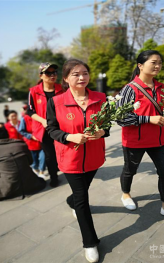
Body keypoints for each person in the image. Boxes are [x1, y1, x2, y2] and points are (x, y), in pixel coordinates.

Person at [46, 59, 110, 263]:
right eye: (75, 74)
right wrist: (69, 137)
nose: (81, 77)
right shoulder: (56, 102)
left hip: (93, 158)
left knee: (79, 195)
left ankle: (70, 201)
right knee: (83, 199)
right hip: (70, 158)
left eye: (85, 73)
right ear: (65, 79)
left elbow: (107, 125)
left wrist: (102, 132)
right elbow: (52, 129)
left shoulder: (101, 98)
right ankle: (90, 243)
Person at [116, 50, 164, 222]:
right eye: (153, 62)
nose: (158, 66)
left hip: (159, 140)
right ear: (140, 65)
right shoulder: (129, 89)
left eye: (160, 63)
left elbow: (163, 112)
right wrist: (148, 119)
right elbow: (120, 118)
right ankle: (125, 195)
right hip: (135, 141)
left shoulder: (163, 87)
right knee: (130, 170)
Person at [0, 127, 46, 201]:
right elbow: (30, 162)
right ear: (8, 134)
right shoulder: (21, 144)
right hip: (30, 182)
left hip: (9, 188)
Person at [27, 62, 64, 187]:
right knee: (49, 156)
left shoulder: (62, 89)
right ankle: (54, 177)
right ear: (41, 75)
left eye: (54, 72)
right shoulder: (34, 91)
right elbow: (29, 110)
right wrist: (43, 121)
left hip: (61, 127)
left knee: (63, 151)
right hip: (44, 129)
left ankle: (68, 171)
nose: (52, 75)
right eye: (48, 73)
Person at [19, 106, 46, 179]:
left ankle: (42, 171)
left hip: (41, 141)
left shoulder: (40, 117)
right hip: (31, 142)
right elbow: (21, 130)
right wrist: (31, 136)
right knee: (34, 160)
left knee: (43, 157)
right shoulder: (24, 119)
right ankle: (35, 169)